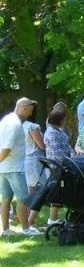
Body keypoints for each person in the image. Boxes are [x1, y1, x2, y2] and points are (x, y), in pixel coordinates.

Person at [0, 98, 37, 239]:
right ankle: (26, 229)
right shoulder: (15, 124)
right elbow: (7, 147)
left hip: (4, 167)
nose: (30, 114)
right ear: (23, 107)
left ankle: (6, 229)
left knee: (6, 198)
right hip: (14, 167)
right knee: (22, 198)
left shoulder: (5, 120)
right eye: (30, 111)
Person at [40, 104, 72, 228]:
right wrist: (70, 160)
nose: (65, 121)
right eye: (64, 119)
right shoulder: (52, 133)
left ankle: (54, 217)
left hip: (62, 165)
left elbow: (66, 145)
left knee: (59, 191)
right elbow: (57, 152)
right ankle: (52, 219)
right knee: (56, 192)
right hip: (56, 167)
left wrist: (74, 154)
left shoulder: (58, 131)